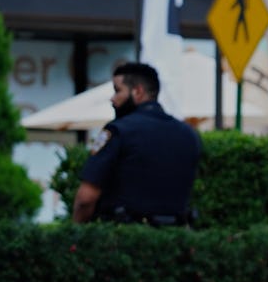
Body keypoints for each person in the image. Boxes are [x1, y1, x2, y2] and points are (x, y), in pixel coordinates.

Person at [72, 62, 201, 225]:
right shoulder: (189, 135)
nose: (112, 99)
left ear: (138, 91)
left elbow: (86, 198)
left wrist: (76, 234)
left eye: (117, 90)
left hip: (126, 238)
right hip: (174, 239)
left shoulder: (118, 131)